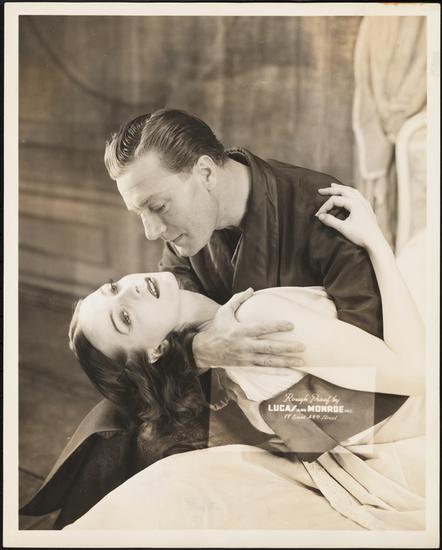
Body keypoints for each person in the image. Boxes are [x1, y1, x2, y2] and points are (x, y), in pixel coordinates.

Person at [66, 185, 425, 529]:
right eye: (124, 317)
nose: (130, 291)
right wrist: (375, 241)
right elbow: (413, 373)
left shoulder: (229, 368)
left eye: (114, 287)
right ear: (156, 350)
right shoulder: (252, 322)